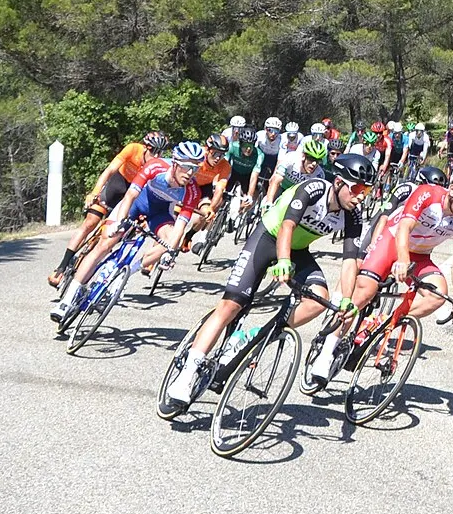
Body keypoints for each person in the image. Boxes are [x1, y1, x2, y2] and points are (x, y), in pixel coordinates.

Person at [166, 152, 378, 406]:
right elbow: (287, 226)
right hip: (267, 238)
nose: (360, 196)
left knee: (319, 299)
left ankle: (258, 334)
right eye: (356, 188)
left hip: (298, 251)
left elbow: (349, 261)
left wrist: (346, 299)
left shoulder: (352, 214)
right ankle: (188, 370)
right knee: (231, 305)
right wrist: (283, 260)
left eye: (365, 190)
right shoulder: (313, 189)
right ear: (339, 183)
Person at [311, 162, 453, 380]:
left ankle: (383, 323)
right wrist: (402, 260)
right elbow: (403, 228)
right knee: (365, 292)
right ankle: (326, 353)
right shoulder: (427, 193)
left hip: (420, 255)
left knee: (437, 294)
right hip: (391, 242)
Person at [51, 140, 208, 321]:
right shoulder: (156, 167)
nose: (190, 173)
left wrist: (170, 253)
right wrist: (120, 222)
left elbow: (180, 226)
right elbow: (130, 195)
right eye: (186, 167)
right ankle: (68, 299)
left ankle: (125, 274)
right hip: (136, 204)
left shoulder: (192, 191)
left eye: (195, 169)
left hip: (160, 213)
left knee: (171, 242)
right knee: (105, 244)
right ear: (175, 163)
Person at [48, 130, 169, 288]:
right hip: (116, 185)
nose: (157, 156)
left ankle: (88, 270)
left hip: (132, 194)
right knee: (90, 223)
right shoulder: (133, 149)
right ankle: (62, 267)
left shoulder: (158, 166)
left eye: (160, 152)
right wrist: (95, 192)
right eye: (154, 151)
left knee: (111, 235)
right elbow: (110, 170)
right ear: (146, 147)